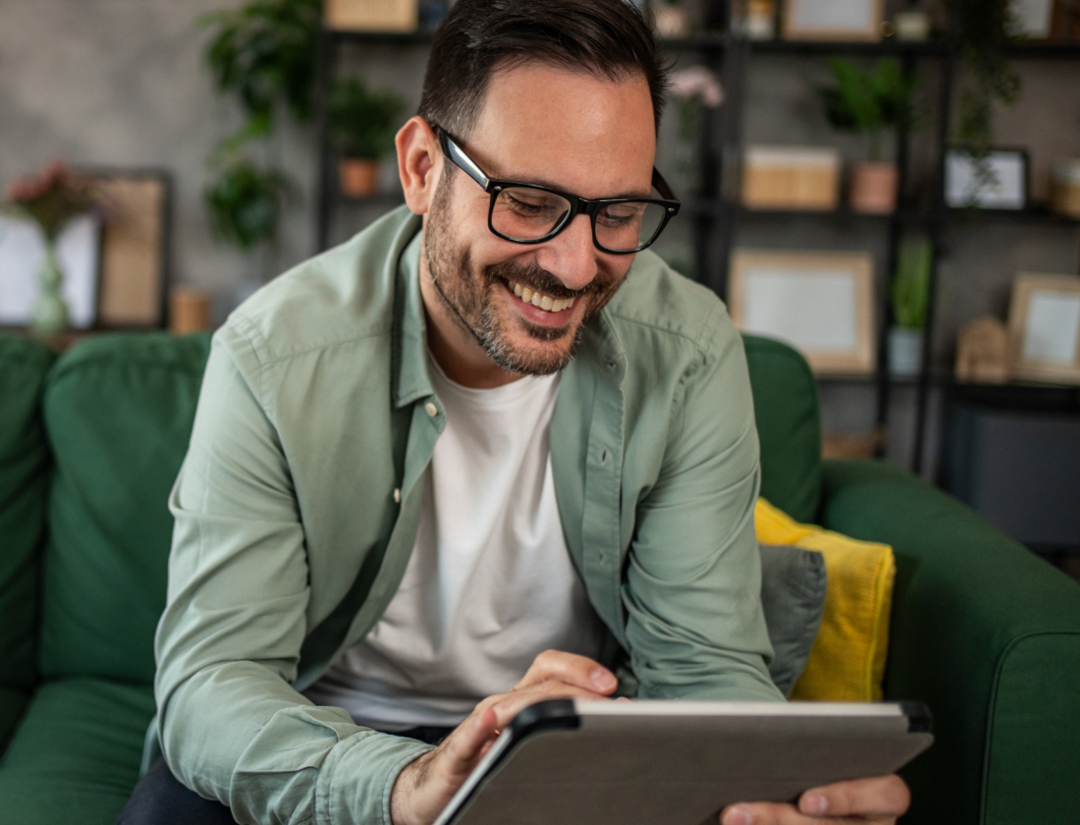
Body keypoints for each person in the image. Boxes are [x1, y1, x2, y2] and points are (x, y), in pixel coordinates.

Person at [120, 2, 910, 824]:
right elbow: (213, 681)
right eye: (528, 201)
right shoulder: (271, 357)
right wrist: (402, 785)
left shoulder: (690, 351)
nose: (575, 266)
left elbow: (703, 672)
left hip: (572, 747)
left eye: (618, 212)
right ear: (423, 168)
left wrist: (769, 790)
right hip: (324, 736)